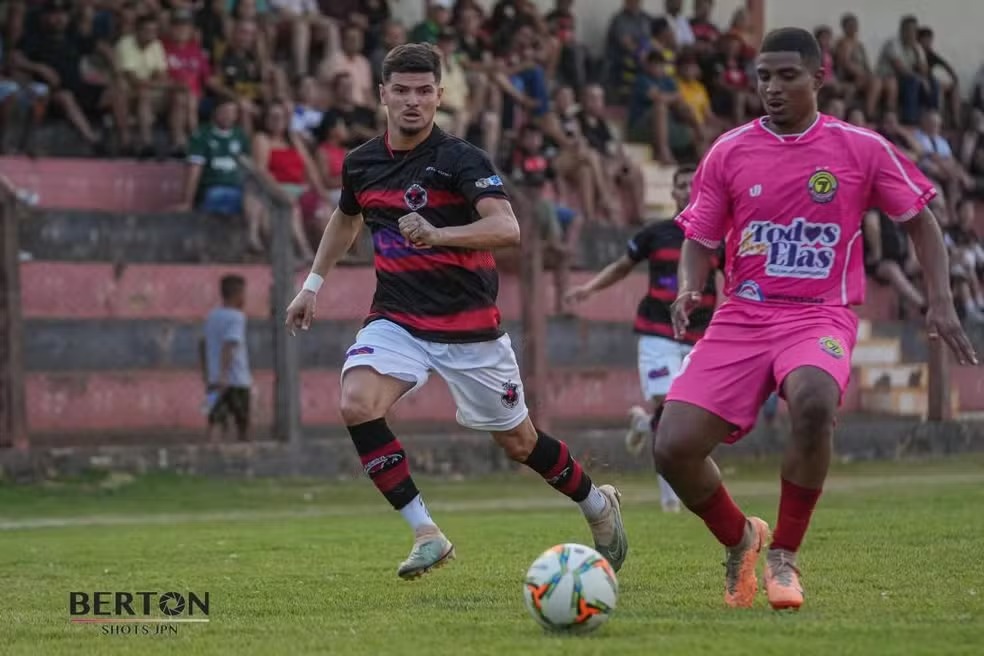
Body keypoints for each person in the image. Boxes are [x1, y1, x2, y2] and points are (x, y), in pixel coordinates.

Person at [654, 27, 978, 612]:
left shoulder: (860, 148)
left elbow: (921, 221)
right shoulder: (729, 150)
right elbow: (699, 235)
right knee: (672, 448)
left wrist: (941, 298)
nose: (772, 88)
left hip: (817, 314)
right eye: (763, 77)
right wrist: (688, 287)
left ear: (817, 78)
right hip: (743, 316)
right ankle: (742, 539)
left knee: (813, 402)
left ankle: (785, 557)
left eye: (786, 76)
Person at [284, 43, 627, 580]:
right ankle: (427, 533)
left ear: (440, 96)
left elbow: (507, 229)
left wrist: (439, 234)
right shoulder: (363, 163)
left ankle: (596, 504)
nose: (413, 101)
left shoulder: (461, 159)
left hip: (470, 330)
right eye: (402, 90)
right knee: (356, 402)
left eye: (424, 91)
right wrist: (311, 284)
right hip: (397, 319)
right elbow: (346, 219)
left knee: (520, 443)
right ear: (383, 95)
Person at [565, 166, 720, 514]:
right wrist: (588, 289)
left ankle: (640, 423)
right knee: (667, 410)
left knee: (687, 418)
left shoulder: (717, 237)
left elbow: (733, 278)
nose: (685, 191)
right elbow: (622, 265)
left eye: (691, 185)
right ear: (674, 193)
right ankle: (670, 502)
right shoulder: (656, 233)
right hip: (657, 332)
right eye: (679, 185)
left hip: (699, 336)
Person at [199, 275, 253, 442]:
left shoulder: (211, 317)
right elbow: (229, 346)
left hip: (214, 380)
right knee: (242, 423)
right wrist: (224, 375)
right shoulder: (237, 317)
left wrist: (207, 373)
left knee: (214, 419)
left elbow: (202, 345)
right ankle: (244, 458)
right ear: (237, 295)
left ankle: (209, 456)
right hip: (237, 380)